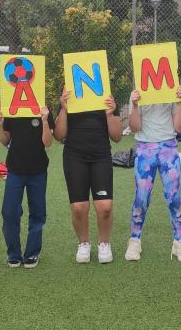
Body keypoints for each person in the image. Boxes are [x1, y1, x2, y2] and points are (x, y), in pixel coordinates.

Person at [124, 86, 181, 262]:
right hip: (144, 148)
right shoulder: (138, 92)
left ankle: (180, 242)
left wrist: (180, 103)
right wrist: (133, 105)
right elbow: (134, 127)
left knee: (174, 198)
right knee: (141, 198)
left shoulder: (171, 90)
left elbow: (179, 127)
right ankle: (135, 240)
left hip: (168, 148)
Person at [53, 90, 122, 264]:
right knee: (78, 207)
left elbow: (117, 136)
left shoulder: (106, 96)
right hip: (74, 157)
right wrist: (63, 108)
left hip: (100, 156)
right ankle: (83, 242)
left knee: (105, 207)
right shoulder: (67, 95)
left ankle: (104, 243)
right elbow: (59, 135)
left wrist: (110, 113)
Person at [0, 106, 54, 269]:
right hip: (15, 170)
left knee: (38, 213)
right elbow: (6, 140)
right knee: (9, 211)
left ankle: (32, 253)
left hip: (38, 170)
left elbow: (47, 142)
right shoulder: (12, 108)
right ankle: (13, 254)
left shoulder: (43, 109)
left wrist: (45, 120)